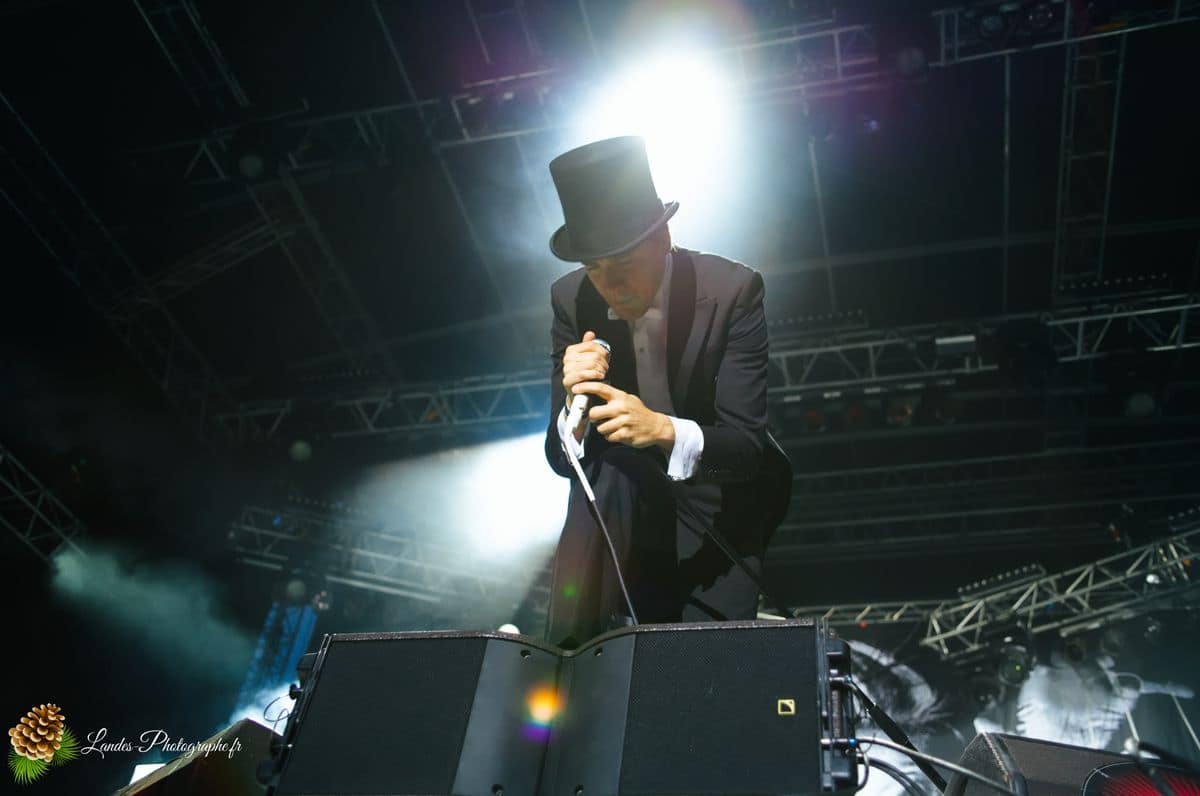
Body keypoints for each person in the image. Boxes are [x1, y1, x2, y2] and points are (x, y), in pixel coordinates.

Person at [542, 136, 792, 649]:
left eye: (624, 263)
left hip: (721, 496)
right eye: (595, 268)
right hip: (629, 501)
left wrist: (660, 429)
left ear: (664, 237)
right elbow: (561, 459)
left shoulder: (733, 291)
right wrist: (573, 405)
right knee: (607, 471)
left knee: (711, 663)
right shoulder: (570, 299)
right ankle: (565, 656)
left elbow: (747, 447)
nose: (611, 285)